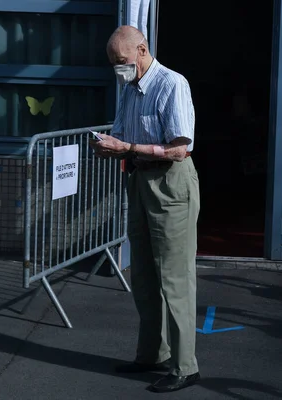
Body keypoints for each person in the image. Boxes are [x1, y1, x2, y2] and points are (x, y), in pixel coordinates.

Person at [89, 25, 200, 393]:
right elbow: (122, 134)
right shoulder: (129, 88)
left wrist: (128, 148)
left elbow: (180, 148)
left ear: (142, 48)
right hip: (139, 181)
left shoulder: (172, 84)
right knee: (144, 276)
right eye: (114, 65)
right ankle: (153, 354)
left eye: (122, 61)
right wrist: (109, 145)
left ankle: (186, 366)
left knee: (175, 277)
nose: (119, 70)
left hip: (170, 182)